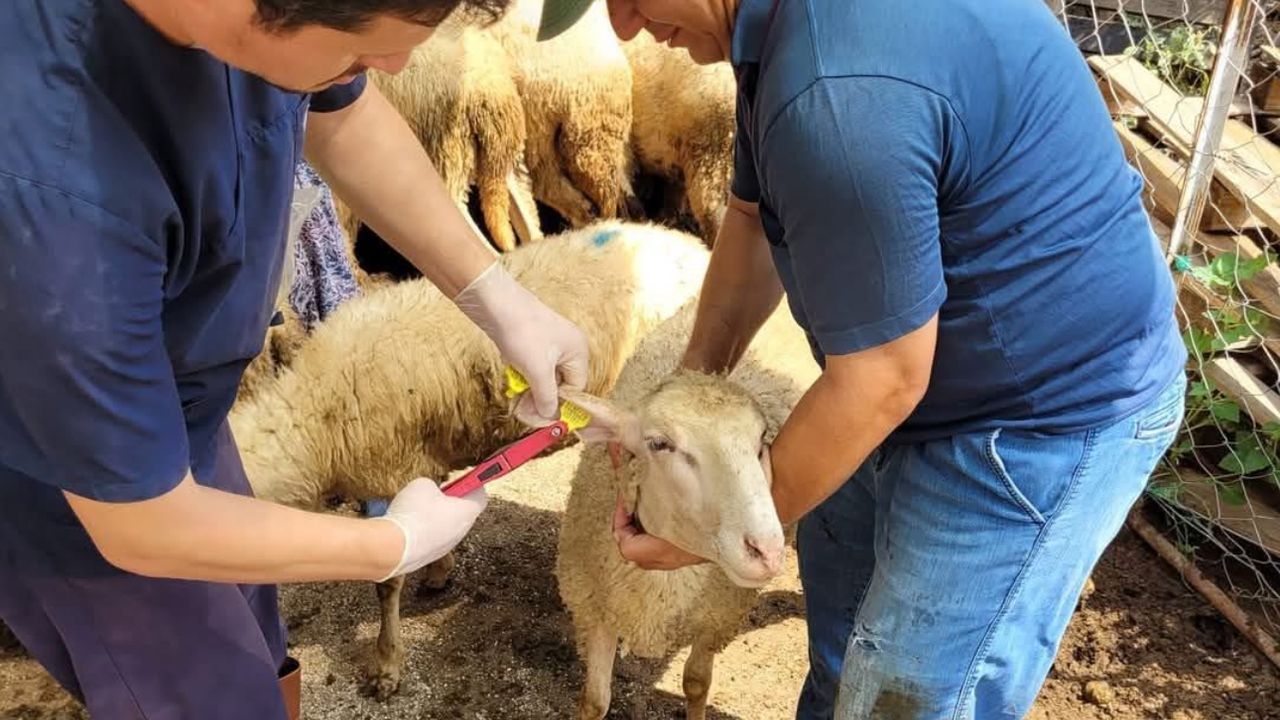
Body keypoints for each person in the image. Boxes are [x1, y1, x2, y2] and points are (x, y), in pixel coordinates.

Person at [539, 0, 1189, 718]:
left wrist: (719, 530)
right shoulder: (781, 38)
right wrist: (685, 391)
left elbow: (884, 377)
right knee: (843, 646)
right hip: (910, 382)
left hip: (1032, 416)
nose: (625, 29)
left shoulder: (833, 92)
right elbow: (753, 222)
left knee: (906, 697)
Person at [0, 0, 589, 717]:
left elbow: (338, 113)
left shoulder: (279, 29)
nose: (399, 67)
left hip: (183, 410)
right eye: (363, 51)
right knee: (205, 695)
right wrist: (388, 544)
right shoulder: (52, 189)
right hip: (73, 479)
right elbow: (143, 524)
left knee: (255, 638)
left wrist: (496, 294)